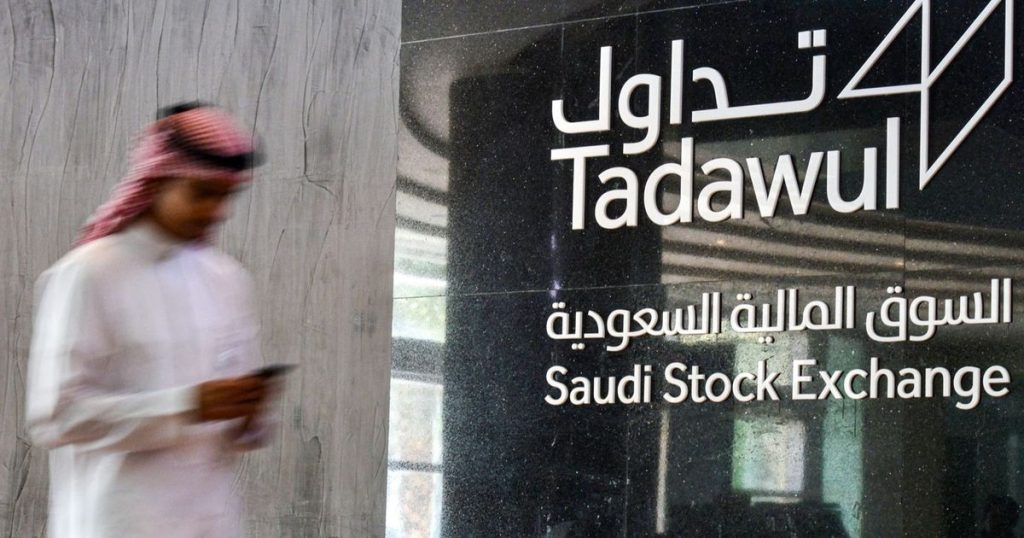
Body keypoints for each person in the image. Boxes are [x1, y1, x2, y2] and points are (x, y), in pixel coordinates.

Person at [25, 102, 276, 537]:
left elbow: (237, 427)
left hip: (211, 522)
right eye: (202, 193)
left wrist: (247, 416)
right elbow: (55, 416)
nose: (217, 211)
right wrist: (188, 405)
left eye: (225, 196)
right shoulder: (87, 274)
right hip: (116, 524)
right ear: (157, 181)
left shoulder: (227, 278)